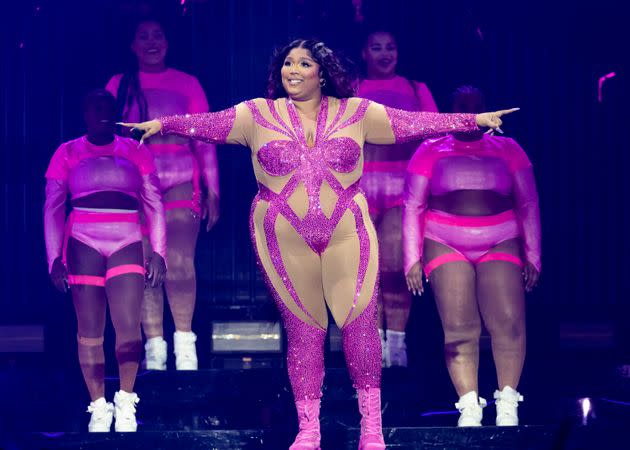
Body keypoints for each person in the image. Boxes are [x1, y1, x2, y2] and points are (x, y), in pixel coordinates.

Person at [122, 41, 513, 449]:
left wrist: (472, 120)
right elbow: (206, 123)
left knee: (360, 326)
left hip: (347, 230)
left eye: (303, 63)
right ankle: (309, 431)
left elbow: (416, 122)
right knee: (305, 332)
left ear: (321, 72)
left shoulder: (358, 113)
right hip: (281, 234)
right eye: (287, 63)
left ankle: (372, 431)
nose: (293, 69)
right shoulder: (256, 114)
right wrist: (162, 125)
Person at [403, 86, 540, 427]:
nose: (470, 112)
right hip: (444, 239)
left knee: (508, 323)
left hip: (501, 238)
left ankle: (508, 401)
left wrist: (534, 254)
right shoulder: (429, 150)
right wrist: (411, 259)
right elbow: (413, 206)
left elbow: (528, 202)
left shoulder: (508, 149)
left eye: (476, 106)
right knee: (460, 326)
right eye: (462, 107)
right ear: (453, 111)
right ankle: (469, 405)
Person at [44, 89, 166, 432]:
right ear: (83, 112)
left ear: (116, 112)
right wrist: (53, 258)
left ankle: (125, 401)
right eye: (93, 105)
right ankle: (99, 405)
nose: (100, 111)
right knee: (89, 331)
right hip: (82, 242)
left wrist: (158, 251)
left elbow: (154, 202)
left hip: (127, 239)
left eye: (107, 107)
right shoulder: (66, 153)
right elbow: (52, 208)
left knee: (128, 327)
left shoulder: (135, 151)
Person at [106, 18, 220, 370]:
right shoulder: (118, 85)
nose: (152, 41)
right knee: (144, 266)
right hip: (135, 186)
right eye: (144, 36)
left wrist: (213, 189)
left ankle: (185, 347)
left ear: (168, 42)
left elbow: (204, 138)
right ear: (132, 45)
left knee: (181, 262)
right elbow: (107, 139)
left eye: (158, 35)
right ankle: (154, 349)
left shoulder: (187, 83)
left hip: (182, 180)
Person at [357, 30, 438, 367]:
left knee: (394, 268)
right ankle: (374, 345)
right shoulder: (352, 90)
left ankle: (398, 347)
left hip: (400, 187)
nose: (385, 53)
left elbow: (437, 137)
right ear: (364, 53)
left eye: (391, 47)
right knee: (367, 271)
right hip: (360, 187)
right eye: (376, 47)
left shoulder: (415, 90)